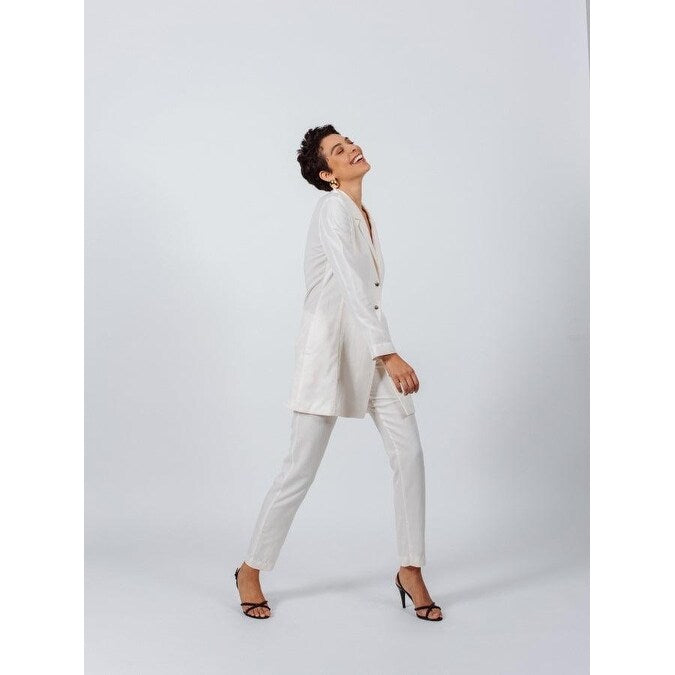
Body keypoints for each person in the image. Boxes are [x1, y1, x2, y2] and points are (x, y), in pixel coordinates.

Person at [234, 125, 443, 621]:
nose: (352, 149)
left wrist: (379, 352)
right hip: (329, 356)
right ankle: (250, 569)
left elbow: (365, 294)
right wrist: (389, 353)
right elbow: (351, 284)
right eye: (338, 150)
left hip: (368, 352)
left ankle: (410, 568)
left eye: (348, 142)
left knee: (409, 455)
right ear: (328, 174)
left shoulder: (361, 212)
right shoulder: (332, 209)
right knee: (300, 469)